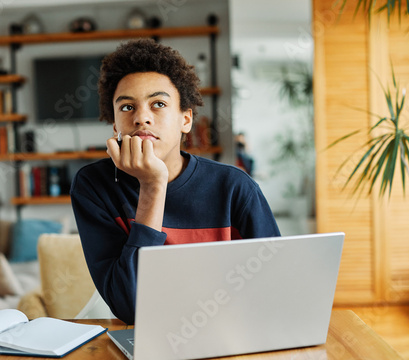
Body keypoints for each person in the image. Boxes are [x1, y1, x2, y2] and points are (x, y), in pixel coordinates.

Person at [70, 39, 280, 324]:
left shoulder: (234, 187)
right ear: (115, 125)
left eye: (158, 104)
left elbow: (277, 289)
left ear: (186, 119)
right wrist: (153, 186)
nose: (141, 118)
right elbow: (131, 308)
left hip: (230, 330)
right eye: (127, 107)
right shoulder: (94, 186)